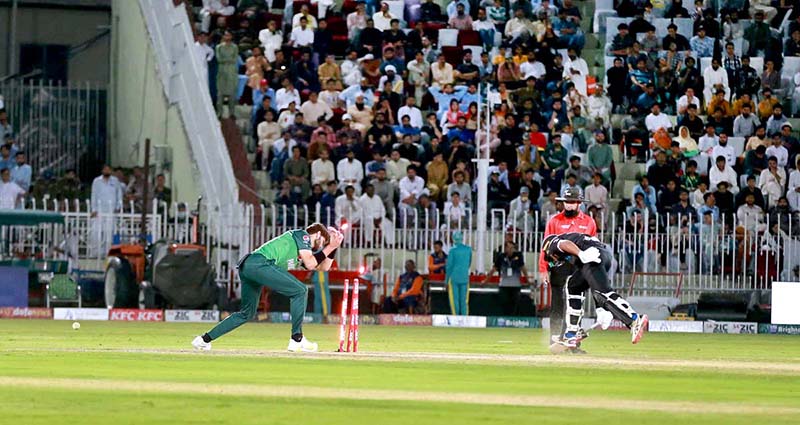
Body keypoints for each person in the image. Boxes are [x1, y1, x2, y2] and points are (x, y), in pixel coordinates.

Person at [193, 224, 343, 352]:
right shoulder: (302, 235)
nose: (320, 246)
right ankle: (297, 338)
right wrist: (330, 245)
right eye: (322, 242)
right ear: (317, 234)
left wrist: (333, 248)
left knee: (246, 313)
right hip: (259, 263)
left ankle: (203, 339)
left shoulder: (299, 256)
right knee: (300, 290)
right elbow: (311, 263)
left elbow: (323, 267)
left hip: (249, 267)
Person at [543, 232, 649, 353]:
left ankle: (634, 319)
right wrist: (600, 308)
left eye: (550, 259)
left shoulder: (553, 244)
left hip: (592, 256)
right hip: (601, 255)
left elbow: (564, 244)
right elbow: (596, 282)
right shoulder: (578, 244)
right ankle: (571, 332)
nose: (554, 262)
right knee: (573, 286)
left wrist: (580, 253)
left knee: (603, 293)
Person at [538, 186, 597, 351]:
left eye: (572, 202)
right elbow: (545, 246)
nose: (569, 205)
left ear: (579, 203)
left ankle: (573, 344)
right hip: (559, 267)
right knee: (558, 303)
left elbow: (593, 248)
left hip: (579, 268)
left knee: (576, 305)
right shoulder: (554, 221)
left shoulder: (589, 222)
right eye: (567, 202)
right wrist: (543, 269)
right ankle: (555, 339)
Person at [484, 240, 530, 316]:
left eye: (512, 248)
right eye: (509, 247)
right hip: (504, 285)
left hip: (515, 285)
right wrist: (486, 280)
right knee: (504, 303)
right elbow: (494, 269)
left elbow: (523, 268)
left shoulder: (518, 256)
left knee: (515, 304)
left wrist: (528, 280)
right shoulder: (501, 257)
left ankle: (513, 319)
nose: (511, 249)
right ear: (505, 248)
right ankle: (505, 318)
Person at [446, 231, 472, 316]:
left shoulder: (452, 251)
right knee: (464, 300)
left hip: (454, 277)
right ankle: (465, 317)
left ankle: (455, 317)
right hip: (464, 277)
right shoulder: (468, 250)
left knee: (454, 300)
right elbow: (469, 263)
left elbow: (449, 267)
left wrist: (446, 281)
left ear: (453, 239)